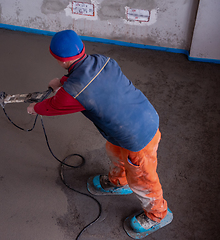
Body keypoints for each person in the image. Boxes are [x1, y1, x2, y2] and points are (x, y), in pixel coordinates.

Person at [27, 30, 172, 237]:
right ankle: (119, 182)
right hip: (138, 118)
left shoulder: (71, 95)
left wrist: (35, 108)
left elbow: (52, 106)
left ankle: (157, 214)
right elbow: (84, 77)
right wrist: (61, 83)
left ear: (59, 60)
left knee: (143, 179)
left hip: (139, 137)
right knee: (114, 152)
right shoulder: (103, 61)